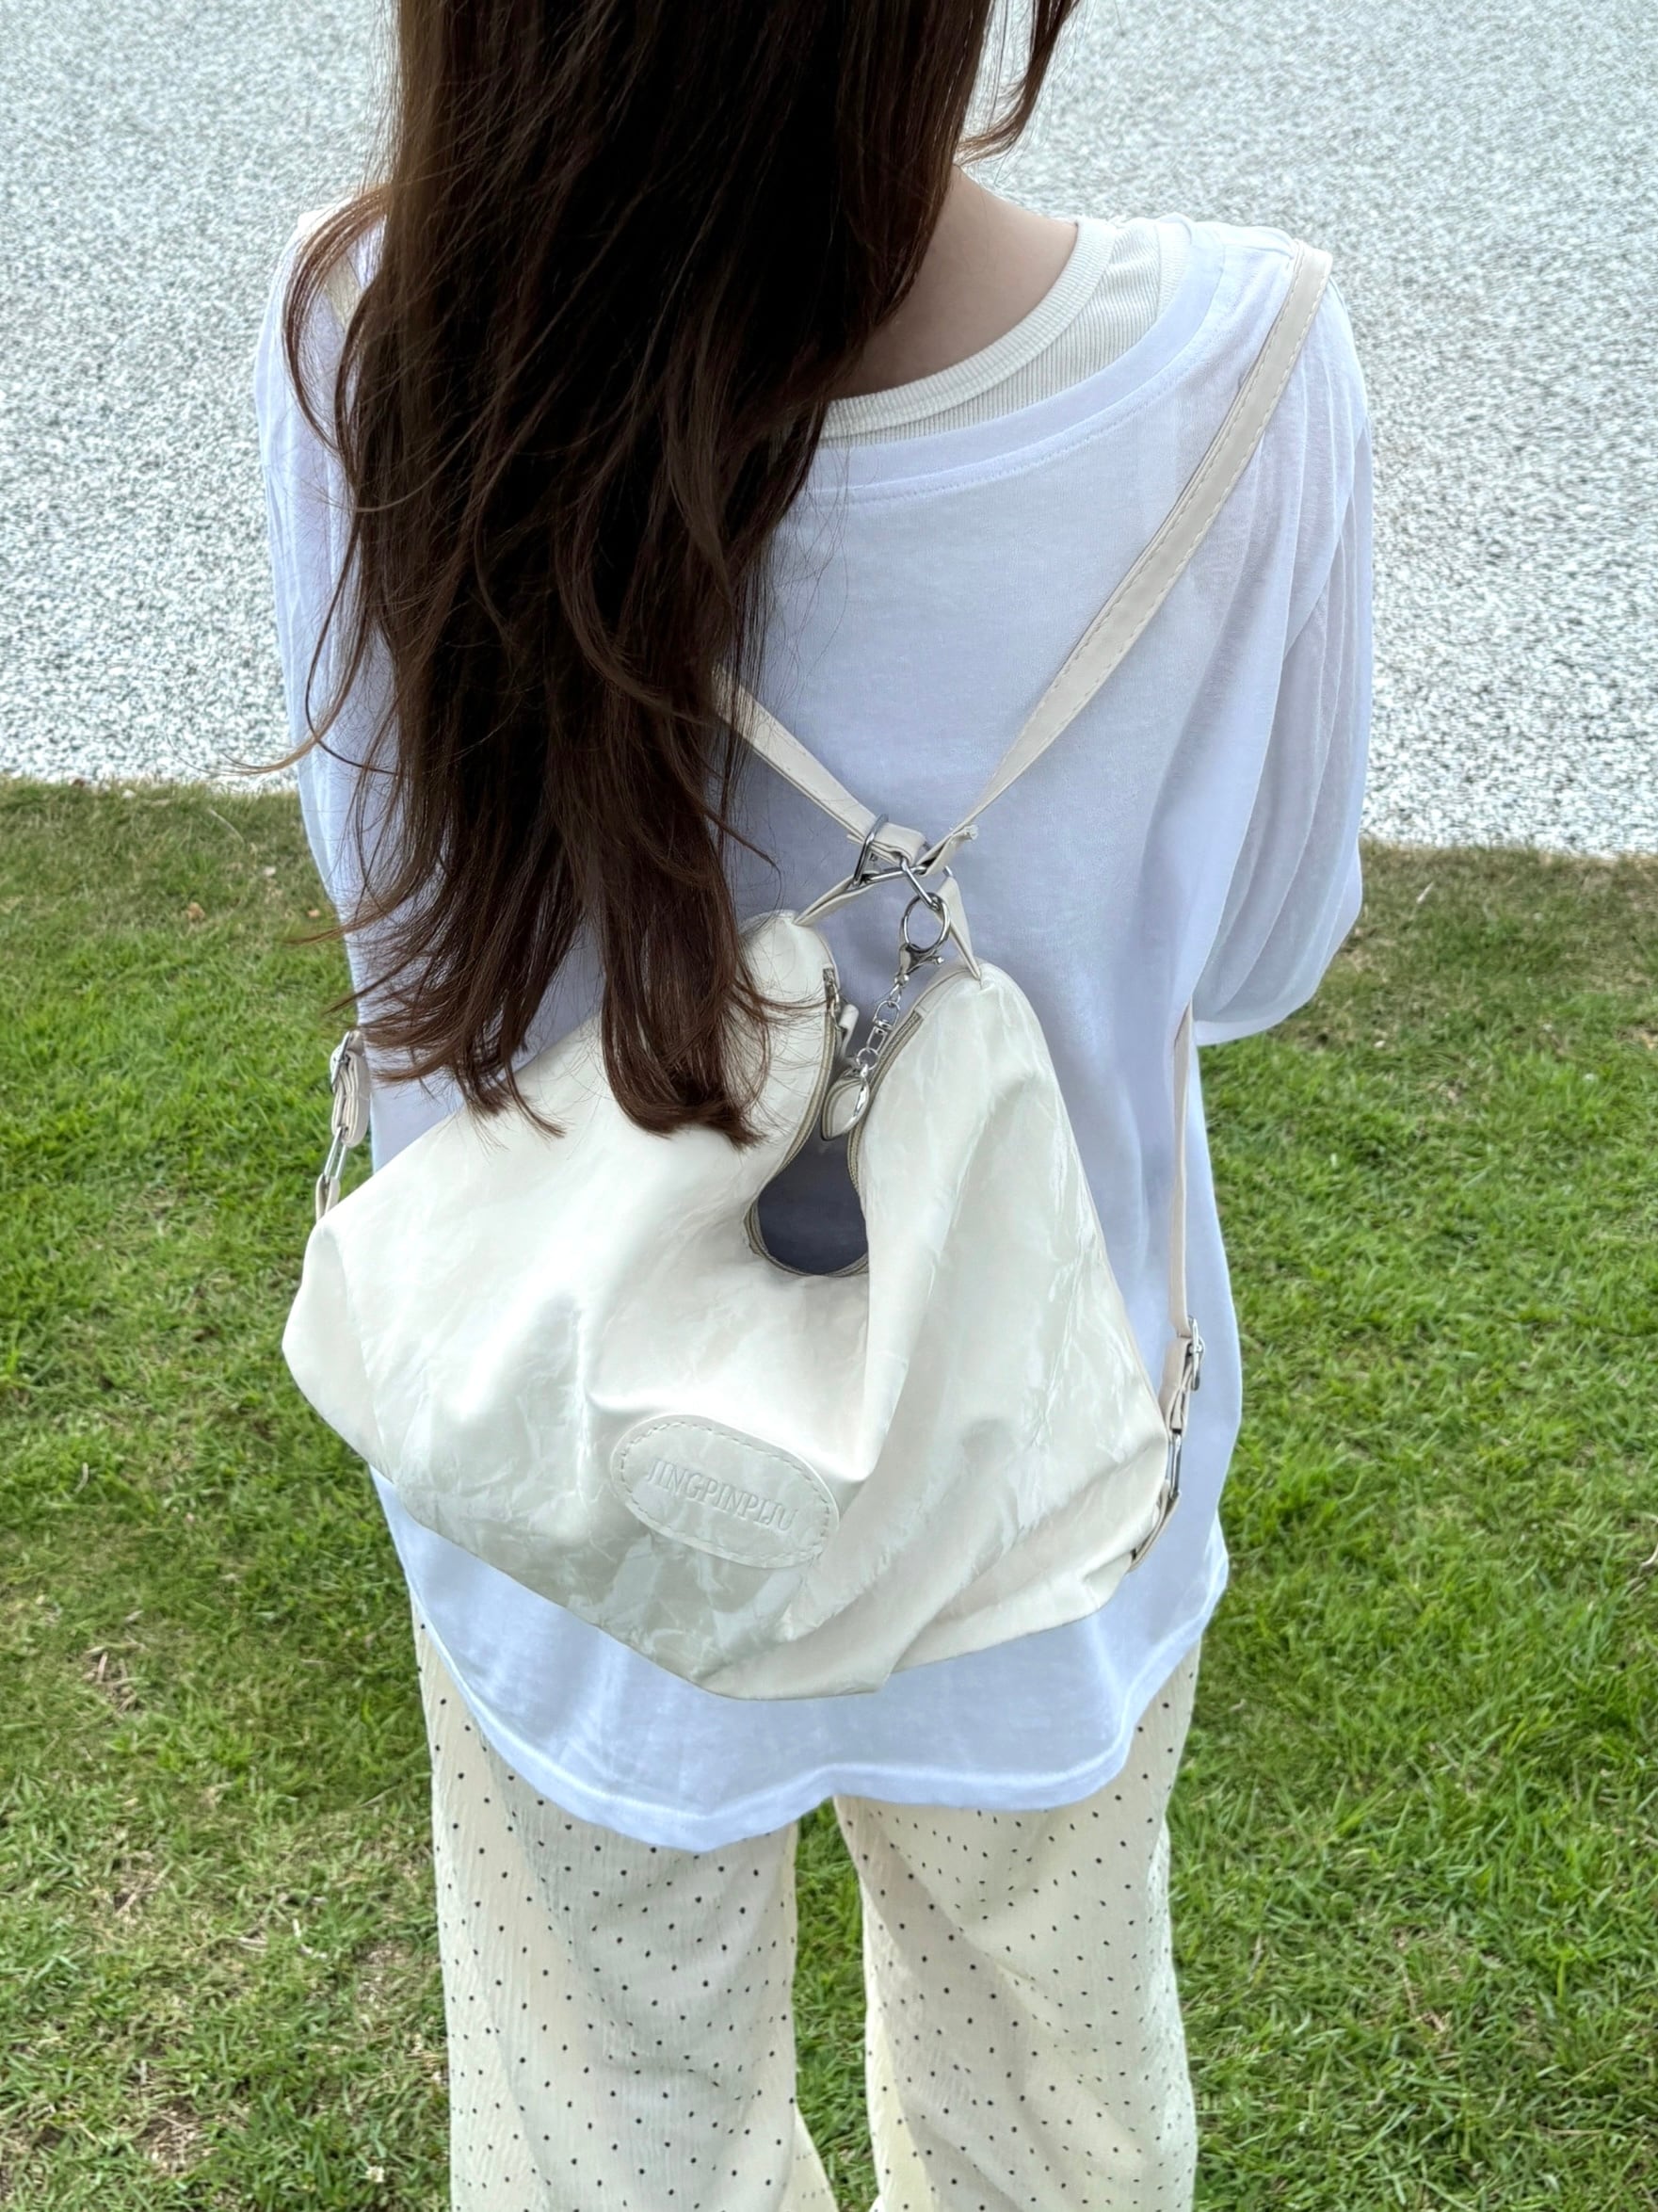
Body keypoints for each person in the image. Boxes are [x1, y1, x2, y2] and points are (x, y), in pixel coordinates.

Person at [250, 0, 1372, 2202]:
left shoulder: (371, 321)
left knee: (608, 2120)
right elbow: (1256, 955)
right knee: (1047, 2114)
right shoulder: (1236, 366)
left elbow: (391, 914)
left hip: (567, 1457)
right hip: (1037, 1465)